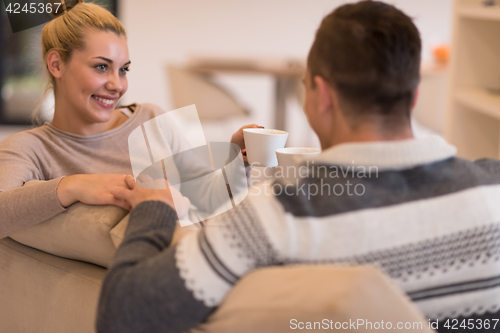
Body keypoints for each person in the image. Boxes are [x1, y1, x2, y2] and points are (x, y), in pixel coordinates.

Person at [97, 1, 500, 333]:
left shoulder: (281, 211)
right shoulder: (492, 190)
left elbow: (124, 315)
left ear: (321, 95)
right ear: (413, 97)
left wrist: (156, 210)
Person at [0, 0, 256, 239]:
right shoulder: (28, 148)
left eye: (123, 70)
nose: (117, 85)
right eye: (102, 67)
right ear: (56, 65)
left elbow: (206, 201)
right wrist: (71, 186)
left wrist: (234, 162)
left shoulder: (151, 117)